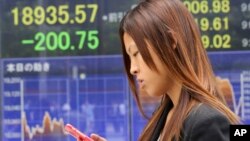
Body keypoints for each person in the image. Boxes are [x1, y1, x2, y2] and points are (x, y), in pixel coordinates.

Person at [79, 0, 241, 140]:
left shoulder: (206, 122)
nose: (133, 69)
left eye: (137, 53)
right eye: (130, 57)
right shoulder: (166, 113)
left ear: (170, 41)